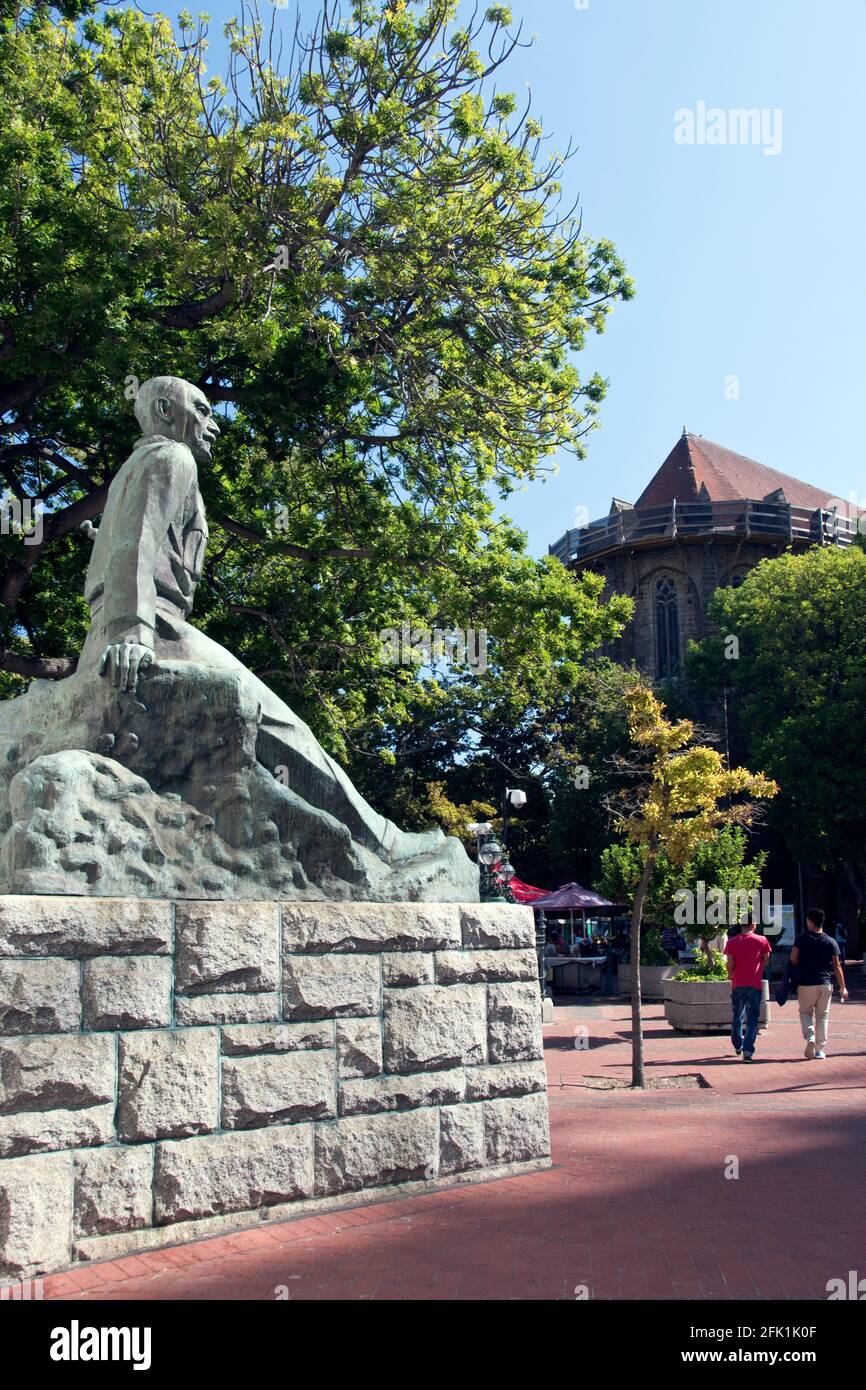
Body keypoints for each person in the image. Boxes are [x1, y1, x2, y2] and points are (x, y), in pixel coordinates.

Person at [791, 908, 848, 1059]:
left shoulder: (801, 939)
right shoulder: (831, 941)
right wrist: (843, 987)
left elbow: (793, 959)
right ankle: (819, 1049)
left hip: (805, 983)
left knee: (805, 1013)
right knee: (823, 1016)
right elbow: (837, 966)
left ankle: (810, 1036)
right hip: (825, 983)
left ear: (810, 921)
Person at [724, 918, 772, 1061]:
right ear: (753, 924)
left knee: (737, 1016)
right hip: (754, 984)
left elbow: (730, 963)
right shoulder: (762, 940)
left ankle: (738, 1044)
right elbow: (767, 960)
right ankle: (748, 1051)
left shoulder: (732, 942)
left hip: (738, 983)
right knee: (752, 1018)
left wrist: (730, 974)